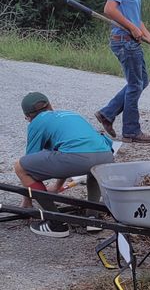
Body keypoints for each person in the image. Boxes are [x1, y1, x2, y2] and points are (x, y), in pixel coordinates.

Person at [14, 92, 114, 238]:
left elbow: (29, 163)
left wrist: (27, 200)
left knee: (20, 166)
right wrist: (57, 185)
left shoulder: (37, 122)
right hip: (106, 156)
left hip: (77, 158)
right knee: (93, 169)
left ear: (28, 117)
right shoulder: (70, 114)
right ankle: (92, 218)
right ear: (49, 105)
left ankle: (56, 222)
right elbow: (62, 152)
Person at [94, 0, 150, 143]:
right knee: (135, 84)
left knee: (141, 82)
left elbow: (137, 20)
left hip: (130, 40)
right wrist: (131, 28)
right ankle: (131, 131)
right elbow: (109, 9)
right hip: (123, 41)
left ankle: (107, 113)